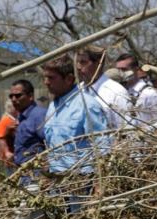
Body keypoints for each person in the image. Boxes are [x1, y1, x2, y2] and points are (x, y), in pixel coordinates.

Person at [42, 55, 112, 207]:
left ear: (68, 79)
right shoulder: (53, 106)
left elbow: (103, 147)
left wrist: (99, 187)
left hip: (81, 184)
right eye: (45, 77)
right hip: (57, 183)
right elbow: (51, 144)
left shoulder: (87, 105)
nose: (46, 82)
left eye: (51, 78)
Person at [73, 47, 128, 131]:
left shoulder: (116, 92)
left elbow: (126, 130)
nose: (78, 67)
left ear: (98, 63)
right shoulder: (77, 91)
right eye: (76, 62)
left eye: (83, 62)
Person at [114, 54, 157, 131]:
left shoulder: (149, 94)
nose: (120, 74)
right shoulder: (120, 92)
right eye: (118, 70)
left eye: (124, 69)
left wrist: (144, 131)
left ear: (136, 69)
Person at [8, 80, 46, 172]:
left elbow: (49, 144)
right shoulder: (21, 117)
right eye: (11, 96)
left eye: (18, 95)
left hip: (35, 177)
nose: (13, 99)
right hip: (22, 175)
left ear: (30, 96)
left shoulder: (39, 116)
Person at [0, 85, 23, 168]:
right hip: (9, 158)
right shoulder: (5, 120)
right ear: (11, 108)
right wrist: (7, 152)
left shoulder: (16, 119)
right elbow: (1, 138)